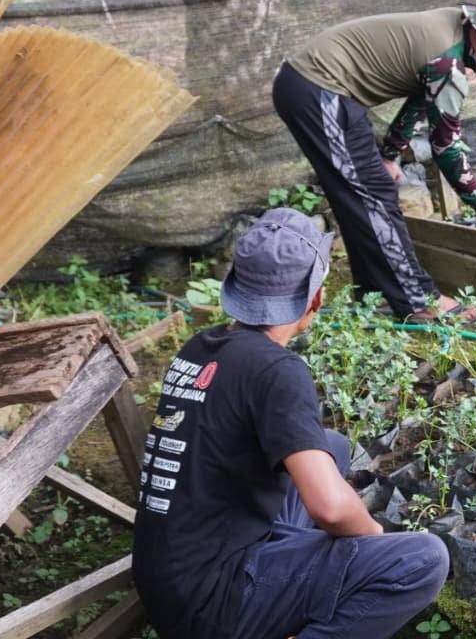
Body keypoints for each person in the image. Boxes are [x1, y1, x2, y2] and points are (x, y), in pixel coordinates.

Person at [132, 207, 449, 639]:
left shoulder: (200, 348)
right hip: (214, 605)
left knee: (331, 446)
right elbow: (330, 508)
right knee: (423, 560)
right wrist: (372, 537)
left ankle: (287, 576)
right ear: (314, 299)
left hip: (164, 577)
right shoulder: (277, 370)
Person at [273, 0, 476, 322]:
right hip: (318, 88)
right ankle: (419, 300)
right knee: (373, 196)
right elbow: (446, 147)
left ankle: (377, 294)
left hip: (314, 87)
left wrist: (390, 154)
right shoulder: (447, 64)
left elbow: (420, 94)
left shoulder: (455, 28)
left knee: (358, 197)